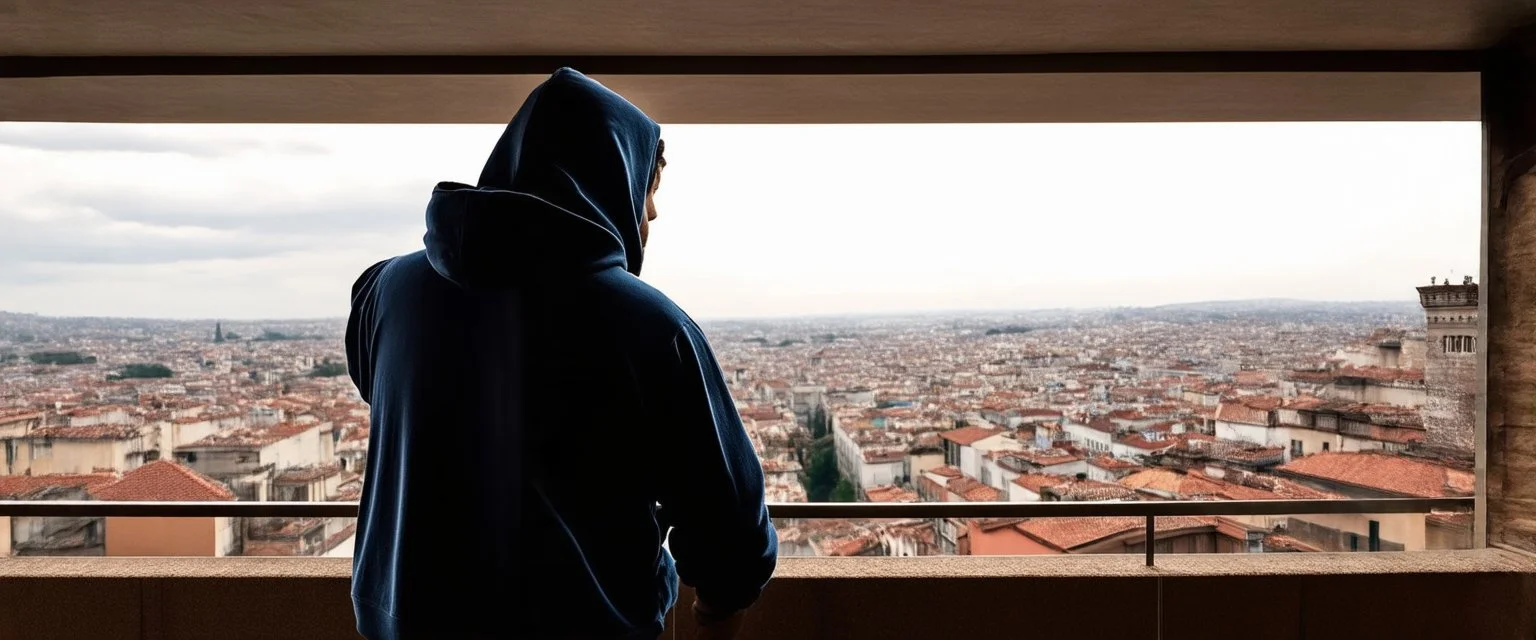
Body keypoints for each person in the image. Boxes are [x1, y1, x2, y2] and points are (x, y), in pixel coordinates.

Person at [345, 68, 778, 640]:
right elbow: (730, 532)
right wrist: (710, 612)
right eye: (647, 192)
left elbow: (384, 391)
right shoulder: (650, 325)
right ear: (609, 182)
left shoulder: (385, 290)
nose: (651, 216)